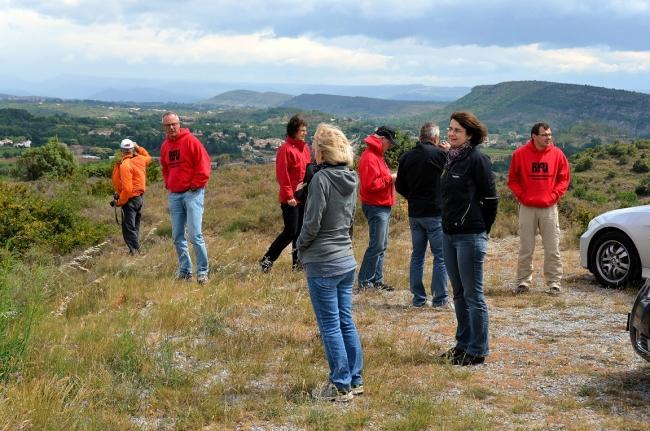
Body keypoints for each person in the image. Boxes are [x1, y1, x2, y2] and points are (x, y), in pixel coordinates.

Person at [296, 123, 362, 402]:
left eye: (314, 145)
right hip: (346, 259)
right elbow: (350, 221)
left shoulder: (322, 181)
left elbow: (311, 223)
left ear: (322, 153)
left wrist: (299, 246)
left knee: (330, 326)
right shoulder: (352, 177)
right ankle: (355, 380)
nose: (312, 149)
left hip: (323, 261)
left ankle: (340, 385)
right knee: (346, 322)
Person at [440, 111, 498, 366]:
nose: (452, 134)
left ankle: (477, 350)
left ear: (470, 134)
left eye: (457, 130)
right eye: (450, 129)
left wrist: (482, 230)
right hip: (449, 234)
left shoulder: (477, 159)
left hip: (470, 236)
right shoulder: (451, 159)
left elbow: (492, 200)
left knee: (473, 296)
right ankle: (462, 345)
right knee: (459, 294)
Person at [507, 122, 571, 296]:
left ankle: (554, 283)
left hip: (549, 208)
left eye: (550, 134)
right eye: (544, 135)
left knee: (553, 247)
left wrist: (554, 196)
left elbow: (564, 178)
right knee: (526, 248)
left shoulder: (557, 154)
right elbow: (512, 179)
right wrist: (523, 196)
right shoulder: (520, 154)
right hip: (527, 207)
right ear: (534, 136)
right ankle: (523, 282)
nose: (548, 138)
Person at [395, 122, 449, 308]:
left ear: (420, 137)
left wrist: (413, 197)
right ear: (434, 138)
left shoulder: (406, 157)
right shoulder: (440, 154)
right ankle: (440, 298)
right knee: (440, 256)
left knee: (417, 255)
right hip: (434, 212)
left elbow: (399, 186)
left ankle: (418, 298)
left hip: (415, 212)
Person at [159, 112, 212, 284]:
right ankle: (185, 271)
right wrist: (169, 183)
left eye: (174, 124)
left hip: (192, 194)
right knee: (177, 236)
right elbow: (165, 168)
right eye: (168, 125)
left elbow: (204, 164)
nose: (171, 127)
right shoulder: (165, 146)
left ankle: (203, 272)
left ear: (179, 124)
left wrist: (195, 185)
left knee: (195, 235)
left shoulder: (191, 141)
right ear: (164, 128)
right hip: (175, 195)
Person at [259, 114, 311, 273]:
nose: (305, 133)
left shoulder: (305, 149)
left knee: (300, 233)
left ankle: (298, 265)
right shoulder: (285, 149)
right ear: (293, 131)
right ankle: (267, 261)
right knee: (290, 231)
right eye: (302, 130)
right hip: (290, 199)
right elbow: (283, 175)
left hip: (303, 196)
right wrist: (289, 196)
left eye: (305, 130)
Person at [357, 126, 398, 292]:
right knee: (377, 245)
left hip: (382, 204)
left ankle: (376, 281)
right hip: (375, 205)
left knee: (382, 245)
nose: (390, 146)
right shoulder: (370, 157)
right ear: (382, 139)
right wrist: (391, 178)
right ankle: (365, 282)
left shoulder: (377, 155)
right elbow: (370, 185)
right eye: (389, 142)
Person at [110, 138, 152, 255]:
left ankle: (136, 252)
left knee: (128, 228)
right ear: (132, 149)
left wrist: (119, 202)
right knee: (135, 226)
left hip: (130, 199)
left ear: (122, 151)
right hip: (139, 198)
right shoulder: (140, 159)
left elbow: (127, 189)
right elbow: (148, 158)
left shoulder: (125, 165)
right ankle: (134, 251)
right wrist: (138, 147)